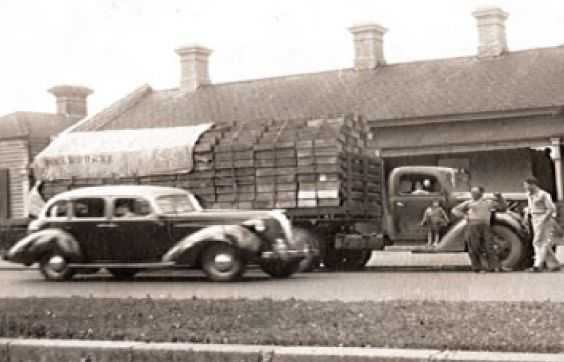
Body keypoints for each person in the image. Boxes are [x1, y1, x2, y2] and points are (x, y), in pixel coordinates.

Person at [452, 186, 502, 273]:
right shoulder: (469, 203)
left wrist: (500, 198)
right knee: (474, 247)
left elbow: (503, 207)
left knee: (489, 246)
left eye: (475, 192)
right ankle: (477, 268)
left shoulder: (488, 202)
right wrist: (465, 216)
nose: (473, 194)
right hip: (472, 225)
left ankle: (494, 267)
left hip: (485, 225)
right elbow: (455, 210)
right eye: (472, 192)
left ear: (481, 193)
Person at [523, 177, 561, 272]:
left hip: (544, 218)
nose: (525, 187)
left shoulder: (544, 195)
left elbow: (551, 208)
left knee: (538, 242)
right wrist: (526, 216)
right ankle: (554, 264)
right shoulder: (529, 195)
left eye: (526, 185)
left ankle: (537, 265)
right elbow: (530, 207)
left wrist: (543, 219)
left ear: (533, 184)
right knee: (543, 242)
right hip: (534, 218)